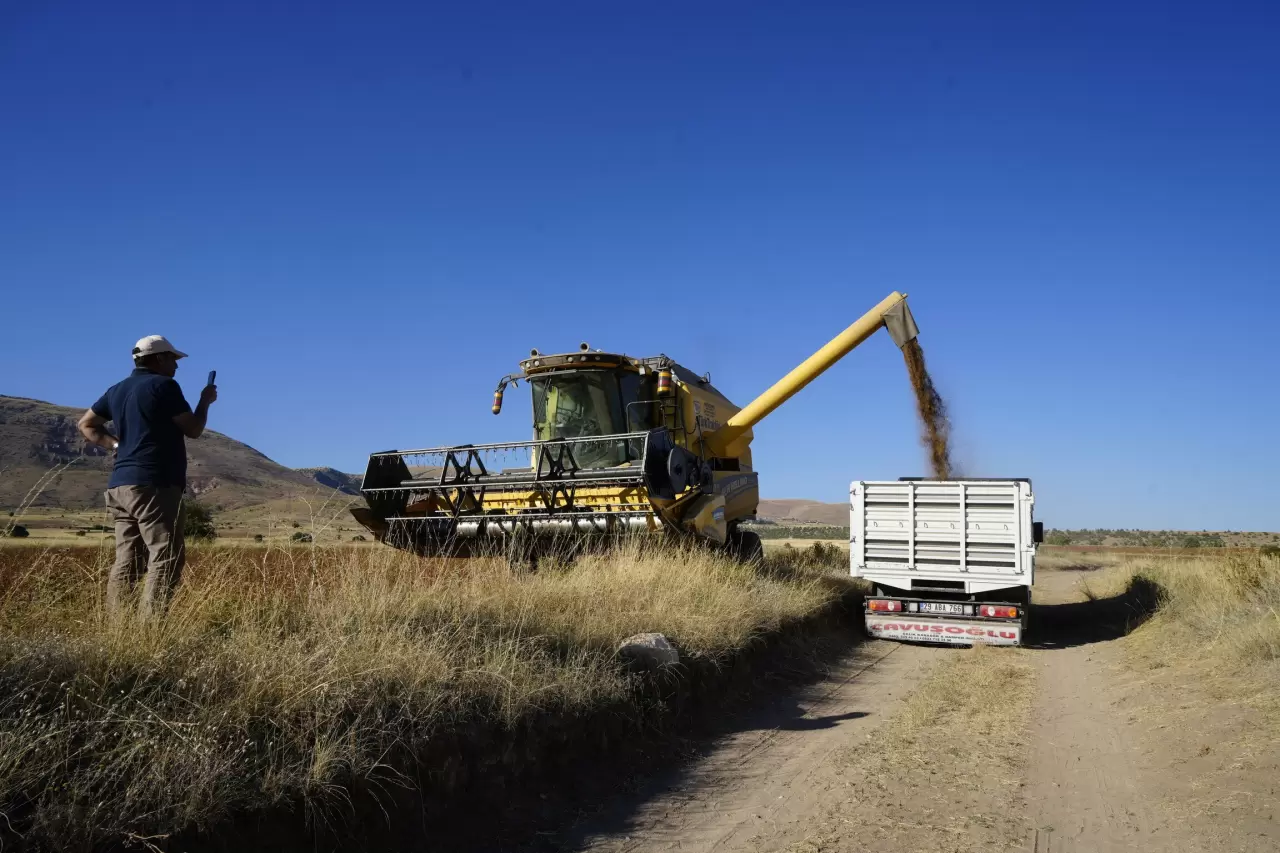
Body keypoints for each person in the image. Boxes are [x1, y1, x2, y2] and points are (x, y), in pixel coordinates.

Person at [77, 335, 217, 619]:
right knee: (166, 557)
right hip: (154, 483)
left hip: (120, 486)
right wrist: (205, 402)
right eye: (173, 360)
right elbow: (193, 429)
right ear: (159, 358)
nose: (177, 367)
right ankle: (150, 631)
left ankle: (119, 630)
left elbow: (86, 424)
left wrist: (116, 446)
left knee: (127, 560)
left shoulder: (117, 390)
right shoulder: (164, 386)